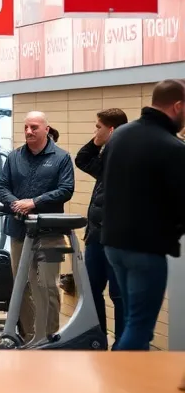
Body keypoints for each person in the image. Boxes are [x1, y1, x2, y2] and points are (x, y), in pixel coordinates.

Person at [102, 80, 185, 351]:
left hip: (114, 244)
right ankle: (122, 389)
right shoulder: (172, 147)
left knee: (130, 322)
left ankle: (124, 385)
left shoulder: (121, 134)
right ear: (178, 106)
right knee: (139, 329)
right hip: (146, 251)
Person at [0, 111, 75, 343]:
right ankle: (29, 337)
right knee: (22, 286)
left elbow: (66, 189)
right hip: (19, 232)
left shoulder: (61, 158)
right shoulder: (14, 157)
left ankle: (48, 339)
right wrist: (14, 203)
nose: (29, 132)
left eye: (34, 128)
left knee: (47, 286)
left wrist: (34, 202)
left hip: (50, 232)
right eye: (26, 127)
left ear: (46, 129)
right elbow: (1, 186)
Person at [75, 107, 128, 345]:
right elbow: (82, 159)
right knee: (92, 291)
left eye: (98, 127)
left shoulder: (128, 157)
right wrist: (97, 141)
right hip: (96, 236)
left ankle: (123, 347)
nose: (95, 131)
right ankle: (97, 340)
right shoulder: (106, 155)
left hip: (118, 240)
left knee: (119, 295)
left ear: (112, 129)